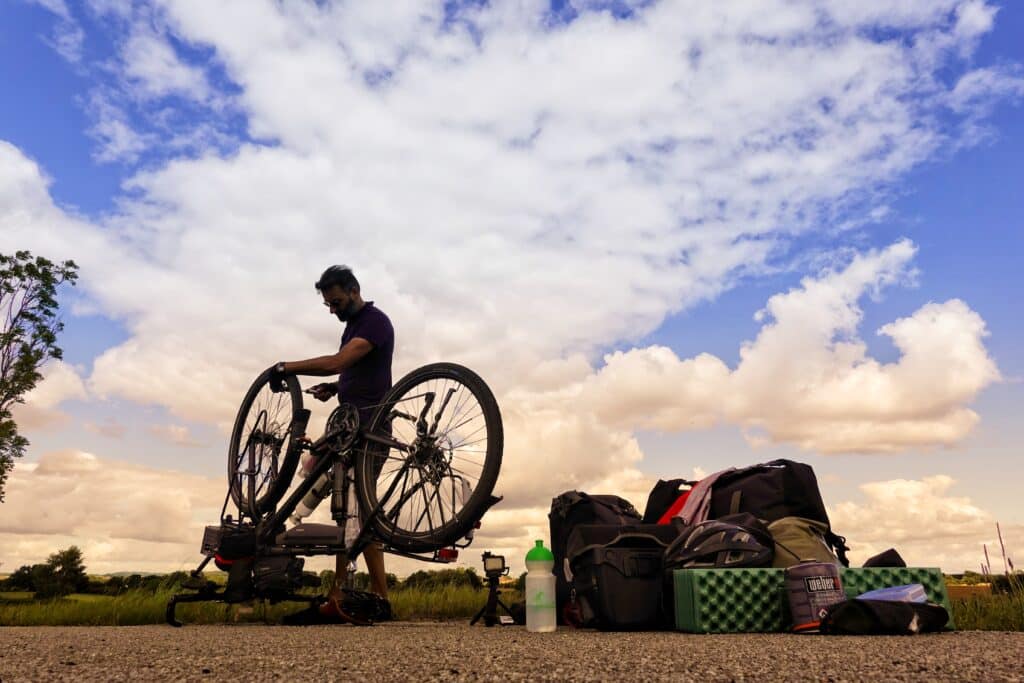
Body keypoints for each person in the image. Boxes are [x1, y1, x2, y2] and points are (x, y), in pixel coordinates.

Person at [272, 265, 394, 623]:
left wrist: (288, 367)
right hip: (348, 430)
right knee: (347, 511)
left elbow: (340, 362)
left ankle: (368, 598)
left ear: (355, 291)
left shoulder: (375, 321)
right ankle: (348, 595)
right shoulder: (352, 328)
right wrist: (336, 388)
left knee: (357, 513)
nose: (332, 309)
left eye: (336, 302)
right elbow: (354, 371)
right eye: (327, 304)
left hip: (370, 431)